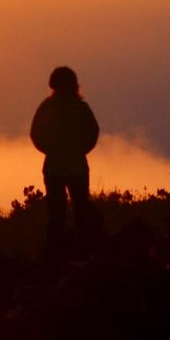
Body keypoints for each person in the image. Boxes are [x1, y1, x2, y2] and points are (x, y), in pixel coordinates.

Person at [30, 66, 99, 261]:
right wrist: (78, 150)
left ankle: (55, 255)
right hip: (75, 166)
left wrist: (51, 150)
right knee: (80, 211)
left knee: (57, 213)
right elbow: (92, 133)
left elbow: (36, 133)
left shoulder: (49, 107)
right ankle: (81, 253)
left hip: (56, 167)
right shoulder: (80, 108)